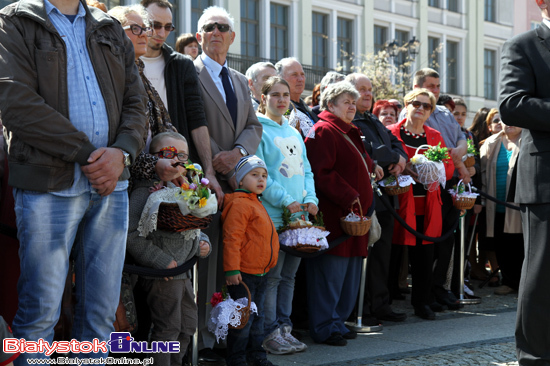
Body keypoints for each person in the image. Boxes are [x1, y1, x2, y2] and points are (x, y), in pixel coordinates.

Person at [0, 0, 148, 362]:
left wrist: (122, 153)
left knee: (99, 321)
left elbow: (136, 102)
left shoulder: (109, 27)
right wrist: (87, 154)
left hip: (112, 186)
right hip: (48, 185)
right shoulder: (15, 20)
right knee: (40, 319)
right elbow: (13, 100)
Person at [194, 5, 263, 358]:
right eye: (209, 27)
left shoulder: (238, 79)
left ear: (232, 37)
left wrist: (235, 154)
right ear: (198, 36)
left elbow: (254, 125)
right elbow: (186, 122)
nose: (216, 32)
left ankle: (226, 335)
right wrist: (216, 158)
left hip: (237, 178)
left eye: (222, 27)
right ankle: (204, 339)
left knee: (230, 261)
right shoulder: (187, 73)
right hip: (205, 180)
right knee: (207, 257)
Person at [304, 81, 383, 346]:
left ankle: (337, 321)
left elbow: (357, 161)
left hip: (355, 220)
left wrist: (372, 166)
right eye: (346, 102)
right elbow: (320, 173)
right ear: (330, 105)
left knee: (348, 277)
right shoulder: (324, 130)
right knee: (330, 276)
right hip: (336, 217)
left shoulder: (348, 130)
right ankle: (324, 327)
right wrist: (349, 195)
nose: (352, 106)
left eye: (353, 101)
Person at [126, 132, 211, 366]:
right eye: (167, 153)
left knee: (187, 327)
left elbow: (193, 225)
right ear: (154, 158)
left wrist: (203, 242)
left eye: (182, 155)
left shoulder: (187, 188)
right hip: (162, 276)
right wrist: (159, 261)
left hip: (183, 272)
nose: (176, 160)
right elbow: (131, 234)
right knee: (168, 330)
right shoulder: (146, 191)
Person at [499, 2, 550, 362]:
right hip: (547, 178)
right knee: (542, 277)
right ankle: (534, 358)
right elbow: (512, 104)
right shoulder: (523, 45)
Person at [254, 77, 318, 354]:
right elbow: (260, 175)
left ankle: (284, 327)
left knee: (289, 277)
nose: (281, 100)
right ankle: (269, 332)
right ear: (263, 98)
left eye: (286, 96)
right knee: (273, 277)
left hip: (299, 217)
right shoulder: (258, 130)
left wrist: (310, 198)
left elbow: (306, 171)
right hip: (274, 215)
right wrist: (287, 200)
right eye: (275, 95)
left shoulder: (294, 133)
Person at [399, 68, 469, 310]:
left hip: (436, 192)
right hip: (405, 199)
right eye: (430, 87)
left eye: (438, 87)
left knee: (435, 246)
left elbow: (457, 145)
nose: (422, 108)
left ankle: (431, 294)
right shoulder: (400, 123)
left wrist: (454, 158)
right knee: (405, 252)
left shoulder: (440, 122)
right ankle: (398, 299)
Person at [140, 0, 222, 206]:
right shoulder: (125, 61)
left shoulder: (181, 64)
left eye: (168, 27)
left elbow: (197, 119)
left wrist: (208, 170)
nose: (161, 32)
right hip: (136, 164)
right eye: (155, 25)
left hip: (176, 168)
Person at [345, 73, 408, 324]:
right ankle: (363, 309)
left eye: (370, 89)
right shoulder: (350, 121)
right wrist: (393, 157)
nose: (368, 94)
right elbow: (371, 151)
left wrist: (401, 157)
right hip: (364, 198)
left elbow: (394, 142)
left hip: (385, 200)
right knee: (366, 255)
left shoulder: (373, 119)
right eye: (362, 89)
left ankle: (381, 305)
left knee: (382, 255)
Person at [387, 89, 455, 320]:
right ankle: (385, 301)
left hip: (428, 203)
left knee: (425, 254)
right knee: (393, 253)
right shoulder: (392, 133)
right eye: (416, 103)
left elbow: (448, 166)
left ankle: (422, 302)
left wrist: (433, 171)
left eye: (426, 106)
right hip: (398, 204)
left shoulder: (434, 136)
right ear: (406, 105)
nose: (420, 108)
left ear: (430, 112)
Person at [222, 155, 279, 366]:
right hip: (244, 273)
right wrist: (231, 269)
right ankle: (236, 359)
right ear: (239, 180)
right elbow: (232, 238)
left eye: (264, 175)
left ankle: (256, 355)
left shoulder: (256, 202)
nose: (261, 179)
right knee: (242, 320)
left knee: (258, 318)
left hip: (261, 272)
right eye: (254, 175)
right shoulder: (240, 204)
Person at [480, 122, 523, 296]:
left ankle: (524, 284)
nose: (510, 123)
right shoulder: (491, 143)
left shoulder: (530, 141)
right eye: (506, 119)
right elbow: (482, 173)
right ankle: (509, 282)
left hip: (521, 207)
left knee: (520, 245)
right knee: (502, 245)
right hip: (495, 205)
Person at [275, 57, 319, 124]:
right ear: (280, 78)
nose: (300, 79)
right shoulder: (280, 111)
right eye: (294, 75)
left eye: (302, 74)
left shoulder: (308, 109)